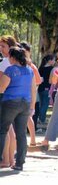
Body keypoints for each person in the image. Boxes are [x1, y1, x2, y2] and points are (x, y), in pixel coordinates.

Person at [0, 47, 36, 171]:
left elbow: (1, 88)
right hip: (25, 103)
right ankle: (20, 162)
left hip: (10, 102)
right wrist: (32, 106)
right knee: (21, 133)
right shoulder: (29, 70)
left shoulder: (10, 70)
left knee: (2, 130)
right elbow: (33, 89)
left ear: (12, 57)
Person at [20, 42, 43, 147]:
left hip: (28, 94)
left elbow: (38, 81)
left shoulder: (31, 66)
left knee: (28, 116)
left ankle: (32, 139)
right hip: (22, 94)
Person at [0, 35, 18, 169]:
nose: (0, 48)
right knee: (10, 131)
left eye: (3, 46)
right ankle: (11, 159)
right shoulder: (20, 63)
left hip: (4, 97)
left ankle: (6, 159)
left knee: (5, 130)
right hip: (15, 98)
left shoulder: (5, 63)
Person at [38, 54, 55, 125]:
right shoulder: (51, 68)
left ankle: (40, 118)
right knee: (45, 104)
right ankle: (42, 119)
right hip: (47, 88)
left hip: (40, 88)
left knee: (41, 104)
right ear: (50, 61)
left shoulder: (40, 68)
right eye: (53, 60)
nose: (54, 61)